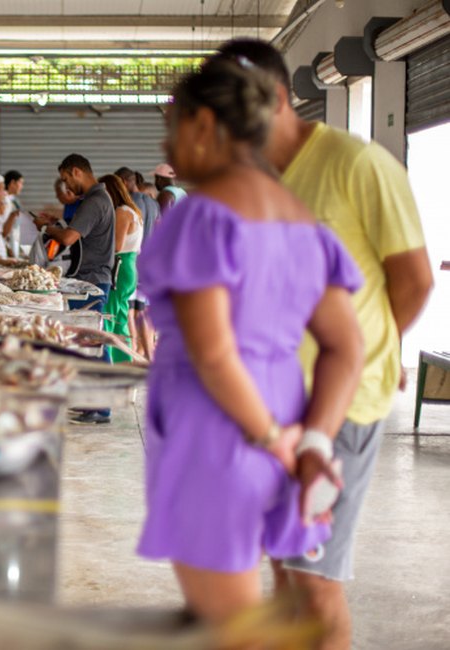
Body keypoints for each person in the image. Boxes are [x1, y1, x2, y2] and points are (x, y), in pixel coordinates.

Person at [214, 39, 433, 650]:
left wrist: (373, 352)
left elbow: (414, 280)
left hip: (339, 408)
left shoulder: (357, 165)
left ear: (280, 99)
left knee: (314, 582)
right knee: (285, 569)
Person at [135, 56, 365, 628]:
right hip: (284, 416)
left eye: (174, 126)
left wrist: (267, 437)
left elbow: (214, 353)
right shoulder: (303, 223)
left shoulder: (205, 218)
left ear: (205, 127)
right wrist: (310, 441)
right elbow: (346, 347)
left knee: (229, 628)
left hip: (220, 429)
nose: (168, 144)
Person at [34, 154, 115, 302]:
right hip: (90, 279)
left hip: (91, 281)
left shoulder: (94, 202)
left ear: (77, 172)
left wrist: (44, 228)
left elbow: (68, 238)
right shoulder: (97, 198)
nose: (67, 187)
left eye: (66, 180)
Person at [117, 167, 160, 360]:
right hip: (152, 261)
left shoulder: (129, 206)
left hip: (134, 260)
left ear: (125, 182)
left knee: (130, 311)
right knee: (144, 311)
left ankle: (133, 351)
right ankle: (148, 352)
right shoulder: (153, 203)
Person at [99, 174, 143, 364]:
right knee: (120, 318)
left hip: (120, 265)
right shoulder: (133, 210)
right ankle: (123, 360)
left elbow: (116, 246)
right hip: (129, 265)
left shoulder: (122, 212)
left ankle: (110, 361)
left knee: (110, 318)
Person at [2, 170, 26, 258]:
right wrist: (7, 246)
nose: (22, 187)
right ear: (12, 183)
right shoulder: (2, 200)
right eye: (21, 183)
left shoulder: (13, 200)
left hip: (13, 239)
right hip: (5, 242)